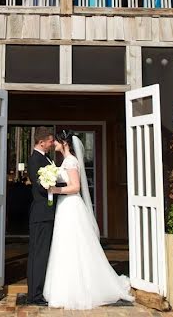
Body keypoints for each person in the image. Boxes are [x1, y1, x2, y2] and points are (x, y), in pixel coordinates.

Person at [43, 130, 133, 310]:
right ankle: (64, 287)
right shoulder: (65, 161)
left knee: (74, 244)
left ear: (64, 143)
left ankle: (80, 289)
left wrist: (54, 190)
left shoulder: (70, 161)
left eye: (57, 142)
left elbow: (75, 187)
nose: (54, 144)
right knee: (65, 245)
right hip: (64, 206)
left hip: (70, 206)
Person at [26, 127, 59, 307]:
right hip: (40, 213)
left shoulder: (46, 158)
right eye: (50, 141)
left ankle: (38, 291)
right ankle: (34, 295)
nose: (52, 144)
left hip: (47, 213)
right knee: (38, 254)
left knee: (43, 254)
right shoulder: (35, 160)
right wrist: (56, 184)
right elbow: (40, 186)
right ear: (41, 142)